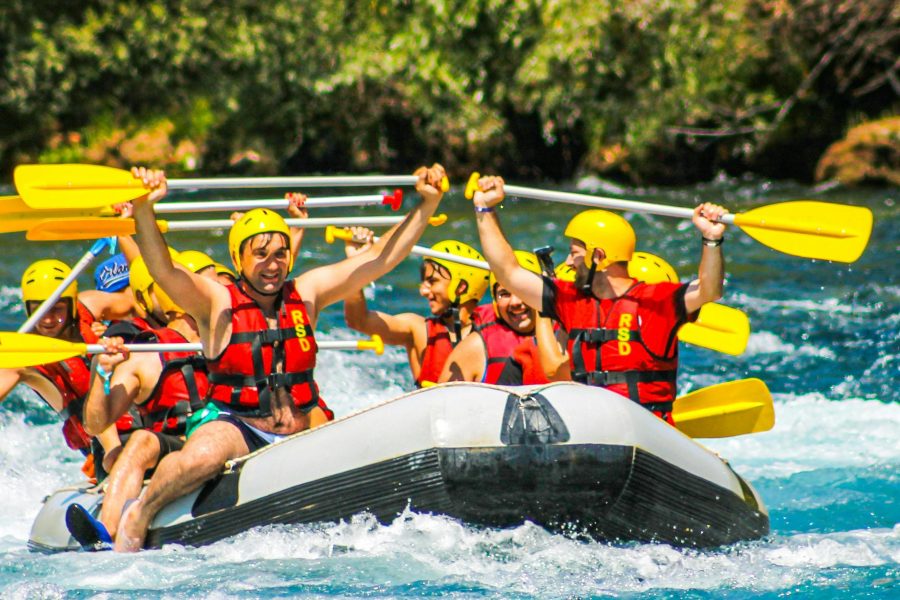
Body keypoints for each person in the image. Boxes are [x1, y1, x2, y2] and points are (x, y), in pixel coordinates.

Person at [112, 163, 448, 551]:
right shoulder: (216, 301)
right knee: (199, 458)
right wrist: (144, 209)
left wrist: (427, 203)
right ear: (238, 259)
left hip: (301, 424)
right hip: (239, 426)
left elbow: (378, 260)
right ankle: (140, 511)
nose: (272, 264)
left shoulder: (306, 293)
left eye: (280, 253)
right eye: (261, 255)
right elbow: (163, 269)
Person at [470, 175, 727, 423]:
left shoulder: (655, 300)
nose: (569, 262)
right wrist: (485, 210)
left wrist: (711, 238)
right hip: (591, 428)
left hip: (647, 430)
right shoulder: (570, 300)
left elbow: (709, 290)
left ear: (599, 256)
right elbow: (508, 272)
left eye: (574, 253)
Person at [65, 252, 209, 551]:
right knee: (142, 441)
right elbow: (95, 423)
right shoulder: (136, 344)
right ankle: (107, 532)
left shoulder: (226, 327)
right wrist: (100, 372)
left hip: (225, 433)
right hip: (172, 440)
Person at [0, 260, 126, 477]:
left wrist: (115, 330)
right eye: (38, 309)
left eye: (56, 309)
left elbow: (141, 305)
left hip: (133, 413)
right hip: (99, 442)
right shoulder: (22, 359)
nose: (47, 319)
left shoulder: (91, 305)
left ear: (72, 304)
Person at [342, 229, 492, 386]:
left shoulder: (494, 331)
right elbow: (358, 320)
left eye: (432, 282)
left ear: (461, 287)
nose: (423, 291)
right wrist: (355, 263)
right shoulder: (418, 330)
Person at [438, 250, 549, 386]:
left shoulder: (564, 335)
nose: (515, 302)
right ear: (495, 302)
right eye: (504, 294)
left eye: (522, 290)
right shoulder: (474, 347)